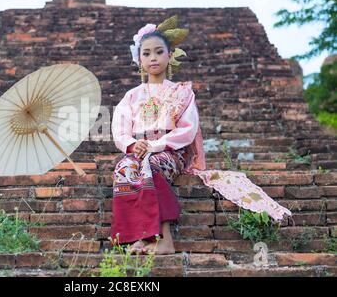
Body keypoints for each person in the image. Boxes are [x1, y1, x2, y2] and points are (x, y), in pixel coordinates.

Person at [110, 15, 292, 255]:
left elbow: (188, 129)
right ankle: (140, 237)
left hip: (171, 152)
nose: (152, 57)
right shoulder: (131, 96)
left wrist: (156, 146)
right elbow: (120, 128)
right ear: (139, 59)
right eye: (146, 53)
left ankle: (164, 240)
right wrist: (134, 145)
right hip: (140, 149)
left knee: (149, 167)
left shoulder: (182, 92)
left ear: (169, 55)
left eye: (158, 51)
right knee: (124, 169)